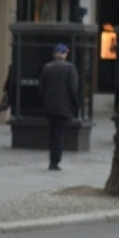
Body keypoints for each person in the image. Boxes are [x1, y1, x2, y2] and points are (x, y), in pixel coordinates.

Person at [39, 42, 79, 171]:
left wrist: (45, 102)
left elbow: (41, 88)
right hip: (64, 107)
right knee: (59, 134)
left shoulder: (47, 67)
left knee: (53, 133)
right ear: (63, 53)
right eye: (66, 52)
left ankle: (52, 158)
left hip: (50, 107)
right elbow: (73, 88)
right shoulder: (70, 68)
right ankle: (55, 160)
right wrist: (75, 104)